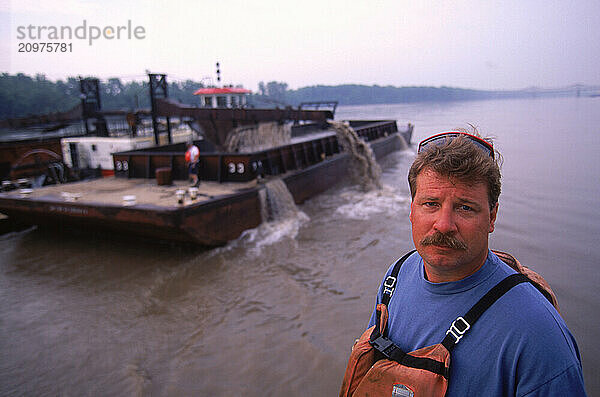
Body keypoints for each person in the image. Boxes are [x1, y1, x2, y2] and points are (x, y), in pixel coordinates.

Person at [341, 130, 586, 396]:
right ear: (412, 210)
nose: (444, 225)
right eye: (431, 203)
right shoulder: (395, 278)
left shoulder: (538, 334)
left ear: (492, 217)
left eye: (465, 207)